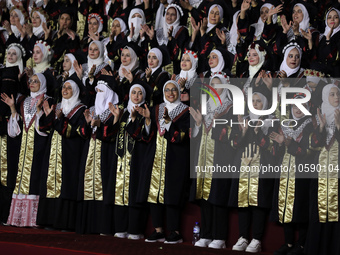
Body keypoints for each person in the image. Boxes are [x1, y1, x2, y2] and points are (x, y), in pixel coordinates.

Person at [136, 80, 190, 244]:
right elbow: (147, 136)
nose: (170, 93)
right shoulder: (156, 109)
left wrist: (168, 122)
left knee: (171, 193)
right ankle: (158, 230)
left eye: (174, 90)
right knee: (154, 192)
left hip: (175, 158)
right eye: (167, 90)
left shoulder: (186, 112)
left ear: (179, 93)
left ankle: (175, 232)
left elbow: (181, 136)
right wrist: (147, 121)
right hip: (155, 157)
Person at [2, 73, 53, 227]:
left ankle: (33, 219)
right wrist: (12, 107)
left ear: (42, 83)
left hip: (40, 147)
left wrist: (39, 111)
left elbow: (46, 126)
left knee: (36, 177)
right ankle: (19, 218)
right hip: (24, 148)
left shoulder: (48, 101)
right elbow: (15, 130)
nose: (32, 83)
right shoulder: (24, 101)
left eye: (36, 81)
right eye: (30, 81)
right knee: (22, 177)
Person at [36, 79, 86, 231]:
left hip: (70, 154)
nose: (65, 90)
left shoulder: (80, 110)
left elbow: (73, 132)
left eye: (69, 88)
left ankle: (64, 223)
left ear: (75, 91)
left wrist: (60, 119)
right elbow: (44, 127)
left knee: (66, 184)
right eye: (64, 87)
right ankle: (48, 220)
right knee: (50, 183)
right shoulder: (57, 106)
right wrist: (46, 114)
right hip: (53, 152)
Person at [76, 79, 119, 235]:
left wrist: (100, 126)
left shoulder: (114, 110)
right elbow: (82, 133)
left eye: (102, 92)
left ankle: (104, 227)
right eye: (98, 92)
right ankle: (87, 227)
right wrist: (88, 124)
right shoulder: (92, 109)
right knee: (87, 186)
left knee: (104, 186)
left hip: (105, 154)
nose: (99, 95)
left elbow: (113, 134)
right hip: (89, 153)